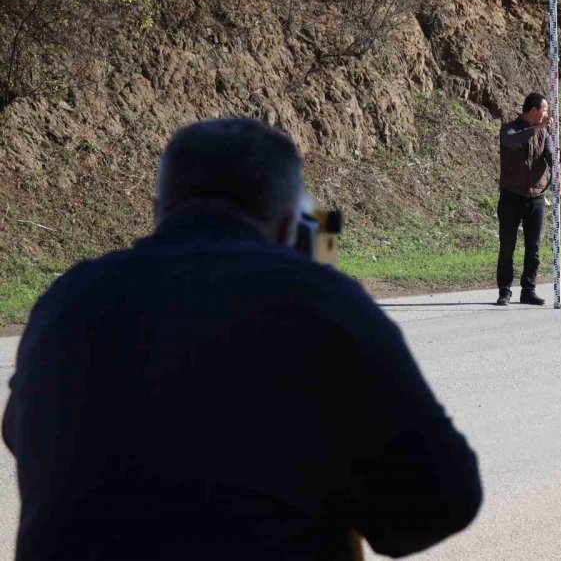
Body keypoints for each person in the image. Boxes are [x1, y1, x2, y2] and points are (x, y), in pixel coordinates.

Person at [3, 118, 482, 560]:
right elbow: (444, 497)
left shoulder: (66, 299)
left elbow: (20, 431)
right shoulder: (319, 302)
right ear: (290, 224)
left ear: (158, 210)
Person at [496, 93, 561, 306]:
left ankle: (528, 290)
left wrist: (558, 177)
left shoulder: (545, 133)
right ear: (534, 111)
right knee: (508, 246)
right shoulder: (510, 129)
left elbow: (552, 157)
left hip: (536, 197)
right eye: (544, 110)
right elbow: (511, 142)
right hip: (511, 197)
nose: (547, 115)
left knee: (533, 248)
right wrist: (538, 128)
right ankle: (505, 291)